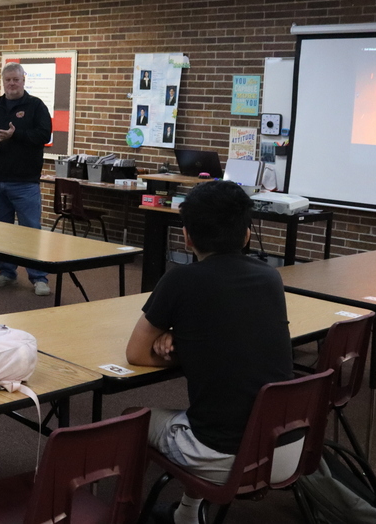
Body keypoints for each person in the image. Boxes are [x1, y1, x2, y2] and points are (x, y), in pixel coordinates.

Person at [125, 181, 295, 524]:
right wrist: (193, 339)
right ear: (247, 235)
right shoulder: (269, 277)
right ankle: (186, 515)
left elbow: (136, 353)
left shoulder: (181, 281)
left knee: (132, 417)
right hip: (286, 448)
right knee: (209, 413)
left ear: (186, 237)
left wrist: (180, 339)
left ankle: (123, 512)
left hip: (227, 457)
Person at [0, 62, 52, 296]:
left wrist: (16, 135)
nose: (12, 84)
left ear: (24, 80)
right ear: (3, 82)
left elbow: (44, 135)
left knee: (30, 231)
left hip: (25, 182)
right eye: (8, 80)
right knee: (0, 231)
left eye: (16, 79)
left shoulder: (35, 106)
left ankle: (39, 277)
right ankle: (7, 273)